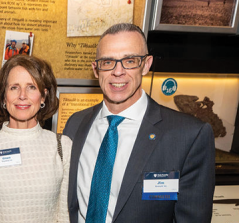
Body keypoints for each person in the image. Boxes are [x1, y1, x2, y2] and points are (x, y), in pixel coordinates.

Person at [63, 23, 215, 223]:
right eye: (108, 62)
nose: (118, 72)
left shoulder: (188, 136)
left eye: (130, 61)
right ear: (95, 69)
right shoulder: (75, 124)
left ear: (146, 64)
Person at [0, 54, 71, 223]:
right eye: (14, 87)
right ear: (3, 96)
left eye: (31, 87)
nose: (22, 95)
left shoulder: (62, 147)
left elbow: (65, 217)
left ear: (43, 96)